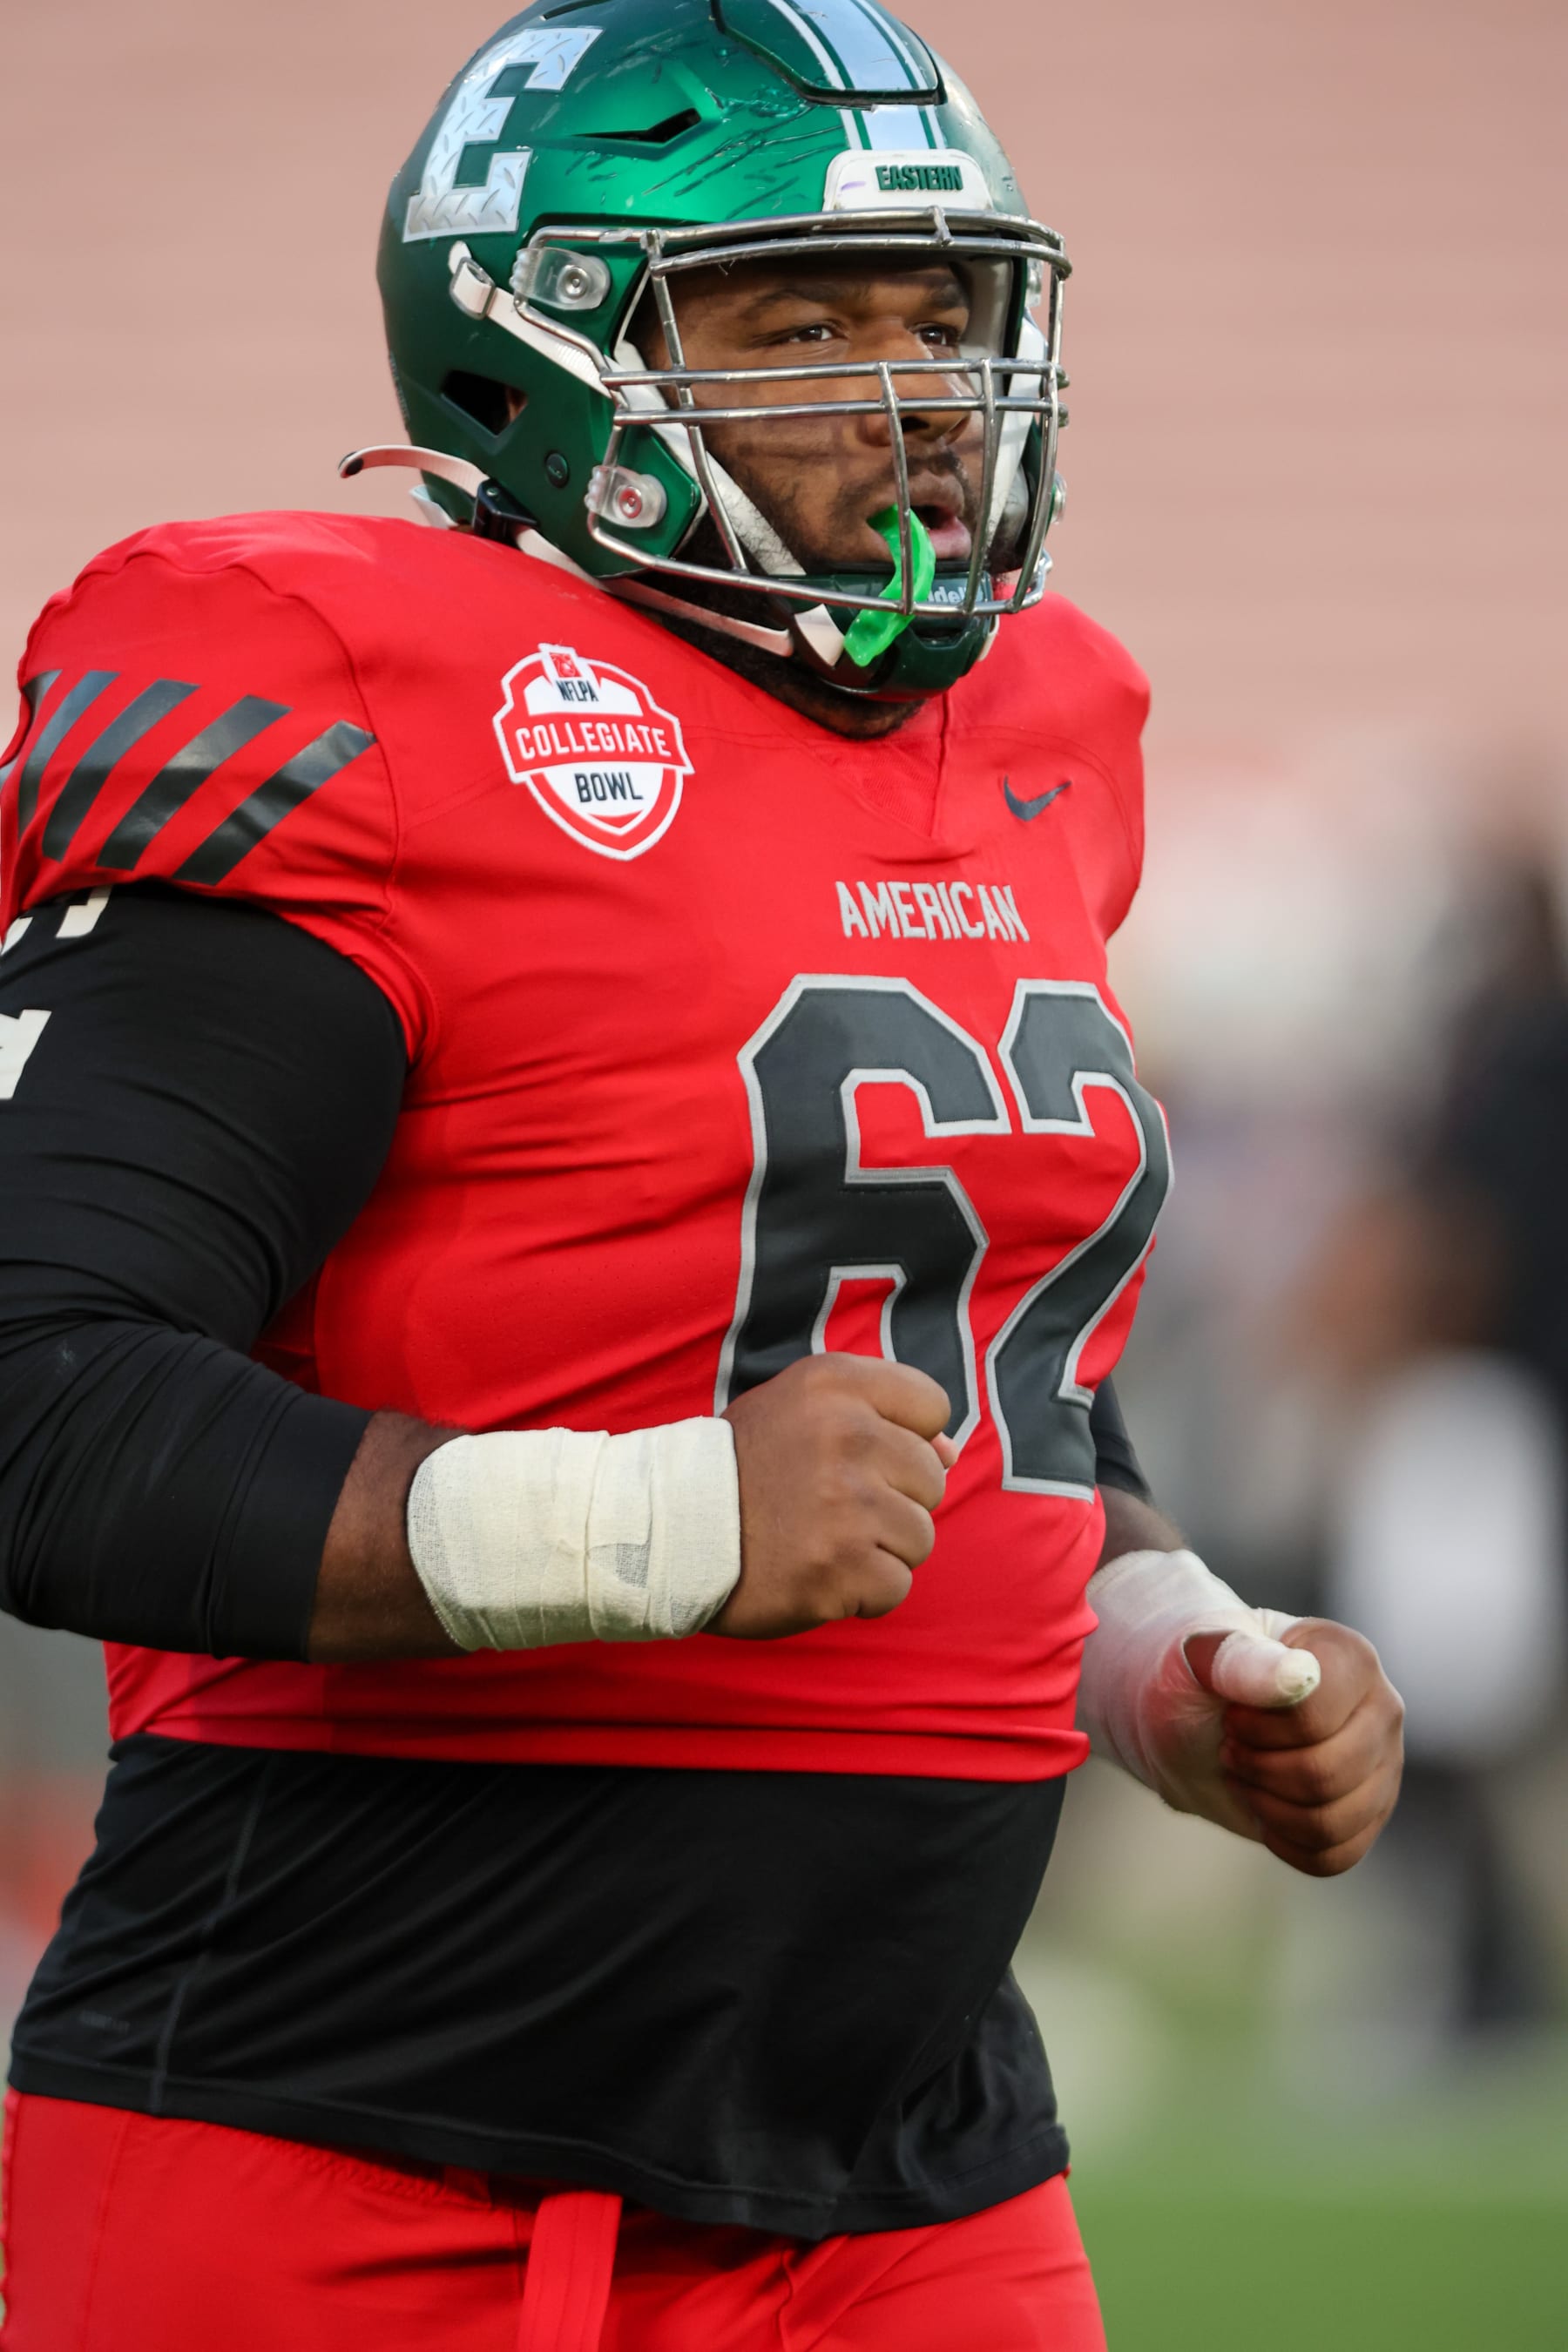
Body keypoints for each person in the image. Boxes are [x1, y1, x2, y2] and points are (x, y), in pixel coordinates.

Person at [0, 4, 1402, 2345]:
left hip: (913, 2161)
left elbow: (951, 1346)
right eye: (801, 317)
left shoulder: (1043, 734)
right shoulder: (354, 689)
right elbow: (38, 1393)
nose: (913, 388)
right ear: (541, 355)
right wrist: (653, 1522)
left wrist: (1159, 1646)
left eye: (943, 313)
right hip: (349, 2146)